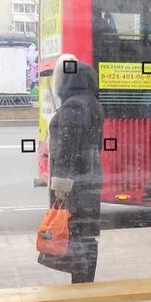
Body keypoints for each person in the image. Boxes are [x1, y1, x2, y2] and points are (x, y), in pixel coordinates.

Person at [40, 56, 104, 284]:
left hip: (75, 181)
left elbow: (68, 148)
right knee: (86, 231)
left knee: (75, 230)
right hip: (90, 175)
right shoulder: (92, 103)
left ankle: (81, 281)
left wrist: (61, 185)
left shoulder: (73, 106)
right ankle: (84, 280)